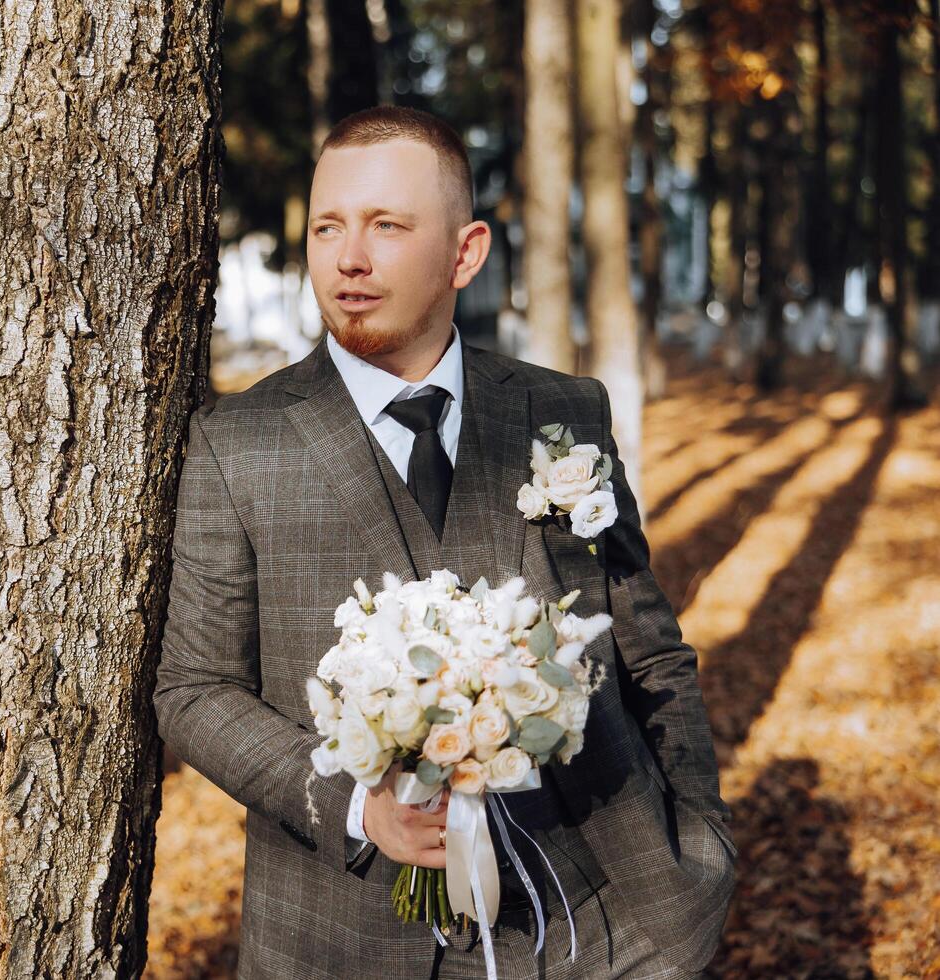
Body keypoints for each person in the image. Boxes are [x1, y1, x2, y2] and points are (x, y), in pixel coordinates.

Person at [153, 106, 736, 978]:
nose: (350, 258)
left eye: (388, 226)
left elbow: (650, 652)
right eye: (328, 227)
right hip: (340, 942)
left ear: (465, 253)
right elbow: (195, 689)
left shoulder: (562, 413)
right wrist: (356, 807)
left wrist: (698, 854)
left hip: (602, 931)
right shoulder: (237, 442)